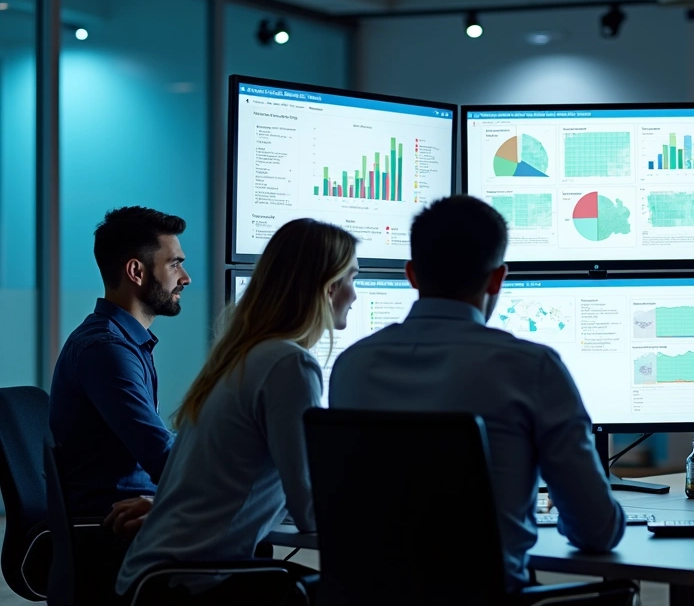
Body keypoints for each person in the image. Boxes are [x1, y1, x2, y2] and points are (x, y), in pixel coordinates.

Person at [329, 195, 625, 593]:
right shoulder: (531, 368)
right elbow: (597, 529)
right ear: (497, 278)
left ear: (412, 275)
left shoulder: (351, 366)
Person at [115, 219, 359, 604]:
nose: (354, 295)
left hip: (152, 579)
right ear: (328, 287)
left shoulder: (242, 356)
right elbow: (310, 510)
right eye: (351, 279)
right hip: (189, 585)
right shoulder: (289, 365)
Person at [47, 207, 188, 600]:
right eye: (175, 264)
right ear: (136, 272)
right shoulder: (107, 350)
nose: (185, 278)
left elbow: (157, 445)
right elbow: (160, 454)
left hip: (122, 514)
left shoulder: (123, 342)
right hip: (109, 527)